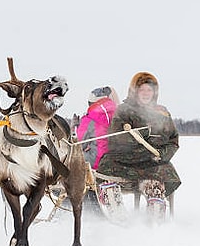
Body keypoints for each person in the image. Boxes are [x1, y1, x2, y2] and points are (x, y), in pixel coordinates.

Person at [96, 72, 181, 220]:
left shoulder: (162, 112)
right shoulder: (123, 110)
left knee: (157, 182)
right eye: (142, 90)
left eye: (149, 90)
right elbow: (115, 137)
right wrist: (138, 141)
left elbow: (173, 140)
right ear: (135, 91)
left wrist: (162, 153)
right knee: (106, 176)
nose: (146, 93)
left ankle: (154, 222)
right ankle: (118, 218)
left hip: (152, 163)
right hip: (123, 161)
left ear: (155, 92)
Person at [76, 86, 119, 170]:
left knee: (72, 158)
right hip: (115, 157)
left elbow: (79, 144)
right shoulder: (118, 112)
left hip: (96, 159)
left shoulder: (88, 119)